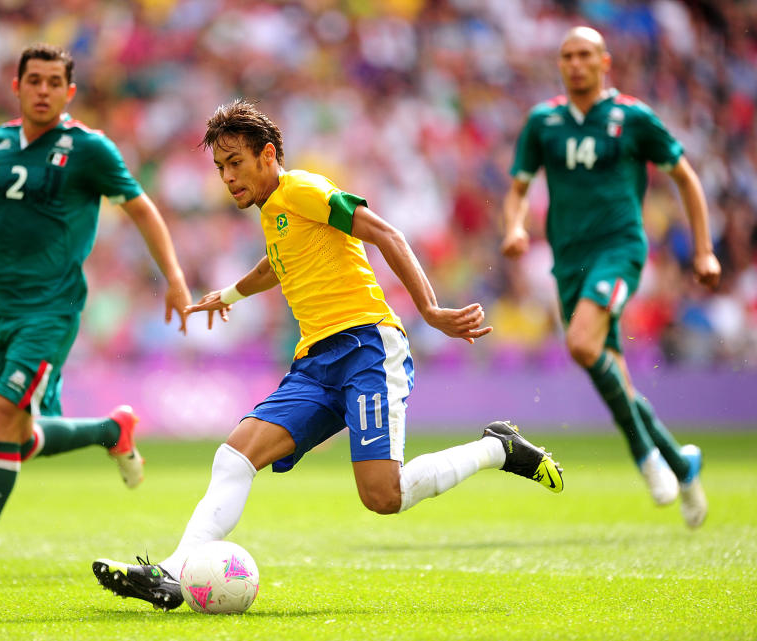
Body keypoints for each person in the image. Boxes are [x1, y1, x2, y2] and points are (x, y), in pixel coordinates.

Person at [90, 99, 564, 611]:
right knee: (235, 454)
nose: (226, 177)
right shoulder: (274, 211)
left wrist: (429, 310)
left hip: (366, 348)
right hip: (315, 363)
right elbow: (277, 264)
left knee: (383, 497)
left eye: (235, 163)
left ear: (268, 154)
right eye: (219, 168)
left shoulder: (305, 190)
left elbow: (385, 232)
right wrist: (227, 295)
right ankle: (172, 574)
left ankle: (498, 448)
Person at [0, 44, 191, 580]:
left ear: (69, 91)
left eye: (53, 82)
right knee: (14, 435)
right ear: (16, 86)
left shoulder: (89, 149)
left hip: (51, 309)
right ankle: (113, 430)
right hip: (1, 310)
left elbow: (141, 208)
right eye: (33, 80)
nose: (42, 90)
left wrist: (174, 280)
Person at [500, 27, 721, 529]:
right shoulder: (544, 122)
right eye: (566, 57)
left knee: (581, 344)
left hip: (618, 250)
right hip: (568, 259)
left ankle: (645, 456)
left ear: (605, 62)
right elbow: (517, 188)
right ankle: (681, 462)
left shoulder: (633, 118)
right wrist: (514, 226)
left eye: (584, 55)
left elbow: (685, 177)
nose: (575, 64)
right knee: (609, 367)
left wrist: (704, 252)